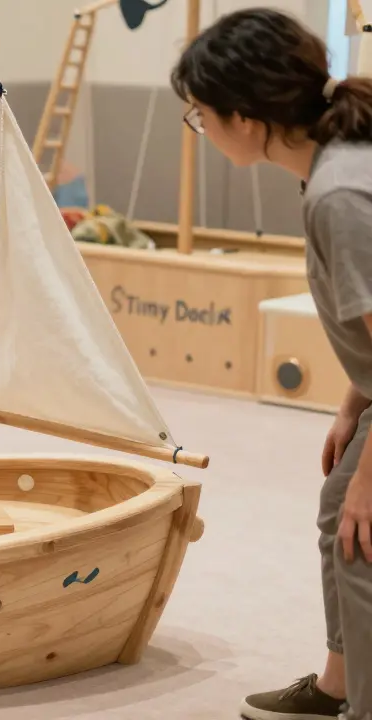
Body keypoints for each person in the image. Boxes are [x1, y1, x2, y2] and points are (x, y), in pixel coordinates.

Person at [170, 9, 372, 720]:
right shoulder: (334, 166)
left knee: (362, 533)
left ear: (246, 118)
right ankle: (337, 687)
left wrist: (371, 479)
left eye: (200, 114)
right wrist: (355, 400)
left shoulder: (340, 192)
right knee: (337, 512)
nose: (199, 127)